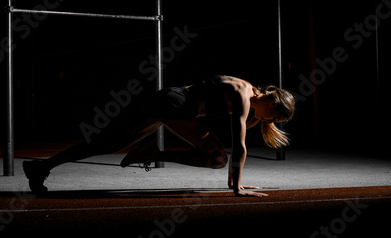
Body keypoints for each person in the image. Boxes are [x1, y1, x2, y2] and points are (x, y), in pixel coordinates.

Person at [23, 75, 295, 197]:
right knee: (218, 157)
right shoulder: (242, 93)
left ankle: (40, 167)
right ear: (272, 103)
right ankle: (153, 153)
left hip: (167, 101)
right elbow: (240, 147)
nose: (270, 122)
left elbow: (239, 143)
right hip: (175, 104)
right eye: (275, 117)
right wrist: (236, 188)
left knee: (108, 144)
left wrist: (233, 184)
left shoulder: (247, 96)